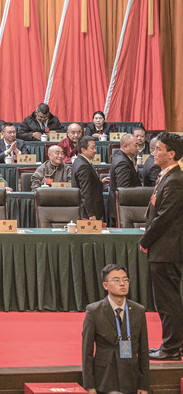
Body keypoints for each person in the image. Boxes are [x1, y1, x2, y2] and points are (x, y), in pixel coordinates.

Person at [139, 132, 183, 361]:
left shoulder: (175, 180)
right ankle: (175, 344)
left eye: (158, 149)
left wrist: (145, 241)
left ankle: (172, 347)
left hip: (167, 248)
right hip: (164, 247)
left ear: (171, 154)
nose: (154, 152)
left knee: (168, 301)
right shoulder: (167, 175)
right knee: (168, 299)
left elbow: (165, 217)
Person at [82, 264, 150, 394]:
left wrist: (144, 385)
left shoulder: (138, 310)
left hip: (131, 379)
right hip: (104, 379)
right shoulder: (94, 311)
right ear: (105, 285)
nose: (122, 284)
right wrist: (89, 385)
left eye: (125, 279)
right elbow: (87, 352)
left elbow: (143, 350)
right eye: (116, 280)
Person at [108, 133, 143, 226]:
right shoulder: (122, 162)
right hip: (124, 212)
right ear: (126, 147)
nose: (138, 148)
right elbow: (124, 189)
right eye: (135, 145)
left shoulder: (120, 157)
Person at [71, 137, 104, 220]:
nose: (95, 151)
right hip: (88, 213)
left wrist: (100, 183)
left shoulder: (79, 161)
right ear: (83, 150)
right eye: (92, 148)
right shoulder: (83, 166)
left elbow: (89, 184)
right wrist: (91, 214)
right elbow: (85, 192)